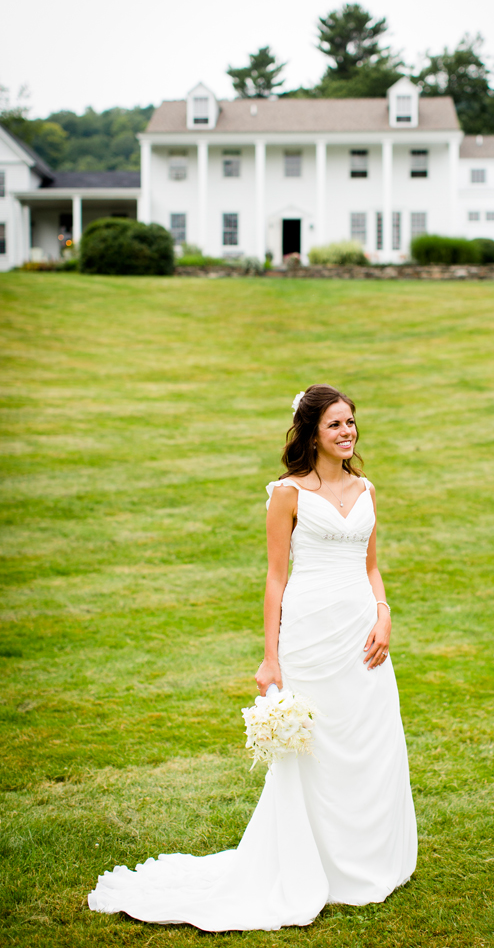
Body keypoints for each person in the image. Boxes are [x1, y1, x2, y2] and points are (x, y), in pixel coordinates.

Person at [88, 384, 417, 931]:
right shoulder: (287, 493)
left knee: (368, 739)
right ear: (312, 431)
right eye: (336, 424)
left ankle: (367, 860)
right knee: (316, 748)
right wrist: (271, 657)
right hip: (310, 636)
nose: (347, 432)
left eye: (352, 423)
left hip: (362, 634)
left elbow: (371, 565)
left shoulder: (367, 489)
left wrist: (383, 613)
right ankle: (310, 865)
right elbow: (275, 577)